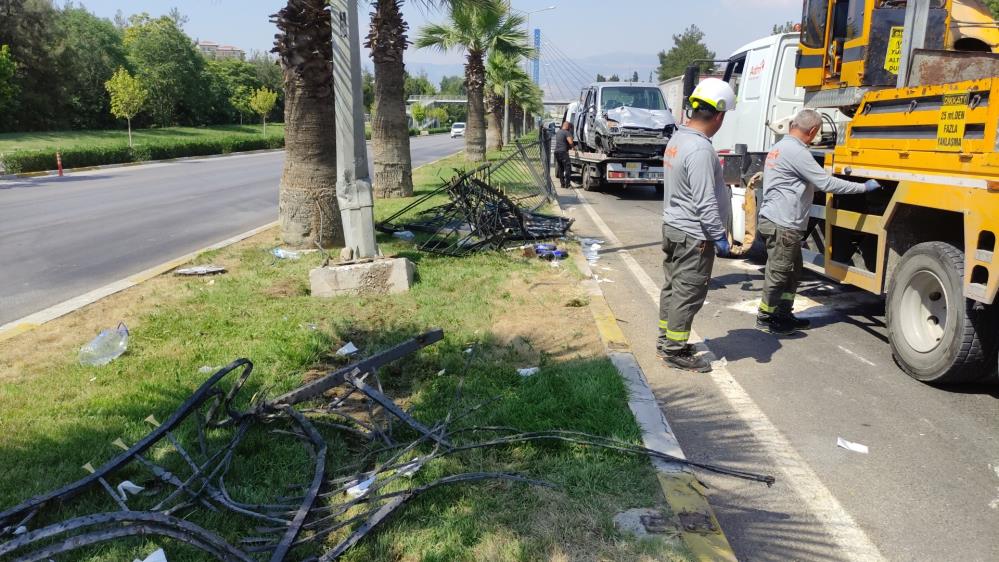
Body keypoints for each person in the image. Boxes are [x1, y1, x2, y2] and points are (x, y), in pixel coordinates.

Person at [756, 109, 882, 335]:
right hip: (783, 224)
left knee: (793, 271)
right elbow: (827, 184)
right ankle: (767, 317)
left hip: (778, 221)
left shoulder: (779, 147)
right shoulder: (797, 152)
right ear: (813, 131)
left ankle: (783, 313)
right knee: (779, 272)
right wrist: (863, 187)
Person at [658, 78, 736, 373]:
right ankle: (675, 350)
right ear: (718, 116)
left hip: (674, 227)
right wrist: (719, 236)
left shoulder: (678, 139)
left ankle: (666, 340)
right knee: (688, 292)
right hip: (694, 234)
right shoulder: (701, 150)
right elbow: (704, 201)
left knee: (673, 287)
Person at [553, 121, 575, 189]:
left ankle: (562, 184)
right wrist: (573, 148)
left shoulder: (558, 132)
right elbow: (570, 141)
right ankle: (567, 184)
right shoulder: (566, 132)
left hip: (556, 152)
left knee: (560, 168)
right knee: (567, 168)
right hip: (563, 152)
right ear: (567, 126)